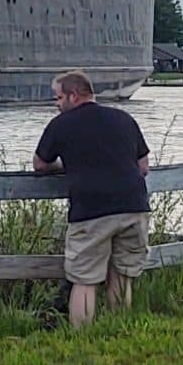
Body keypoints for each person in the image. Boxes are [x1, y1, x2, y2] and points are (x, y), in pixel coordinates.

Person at [33, 70, 151, 328]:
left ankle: (83, 337)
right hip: (134, 205)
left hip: (91, 209)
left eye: (58, 97)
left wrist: (66, 167)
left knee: (84, 279)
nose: (56, 103)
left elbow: (40, 165)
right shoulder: (123, 118)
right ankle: (119, 331)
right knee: (122, 275)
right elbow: (143, 166)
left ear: (73, 96)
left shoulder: (61, 124)